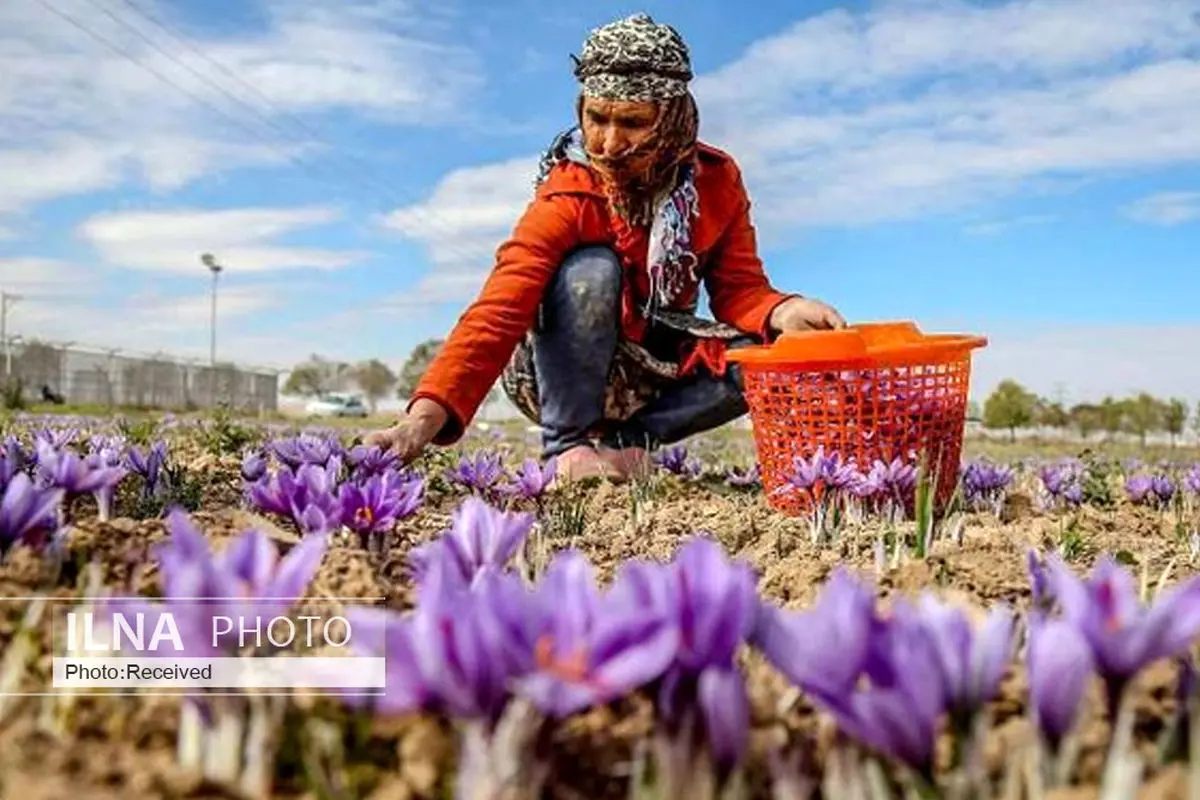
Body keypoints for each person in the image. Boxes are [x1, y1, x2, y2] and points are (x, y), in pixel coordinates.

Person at [366, 12, 845, 481]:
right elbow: (499, 308)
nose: (610, 143)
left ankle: (627, 444)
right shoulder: (570, 193)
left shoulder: (716, 183)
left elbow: (739, 289)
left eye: (634, 122)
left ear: (672, 118)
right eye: (596, 118)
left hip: (655, 368)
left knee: (764, 353)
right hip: (555, 374)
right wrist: (420, 422)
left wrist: (782, 312)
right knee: (590, 270)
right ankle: (567, 446)